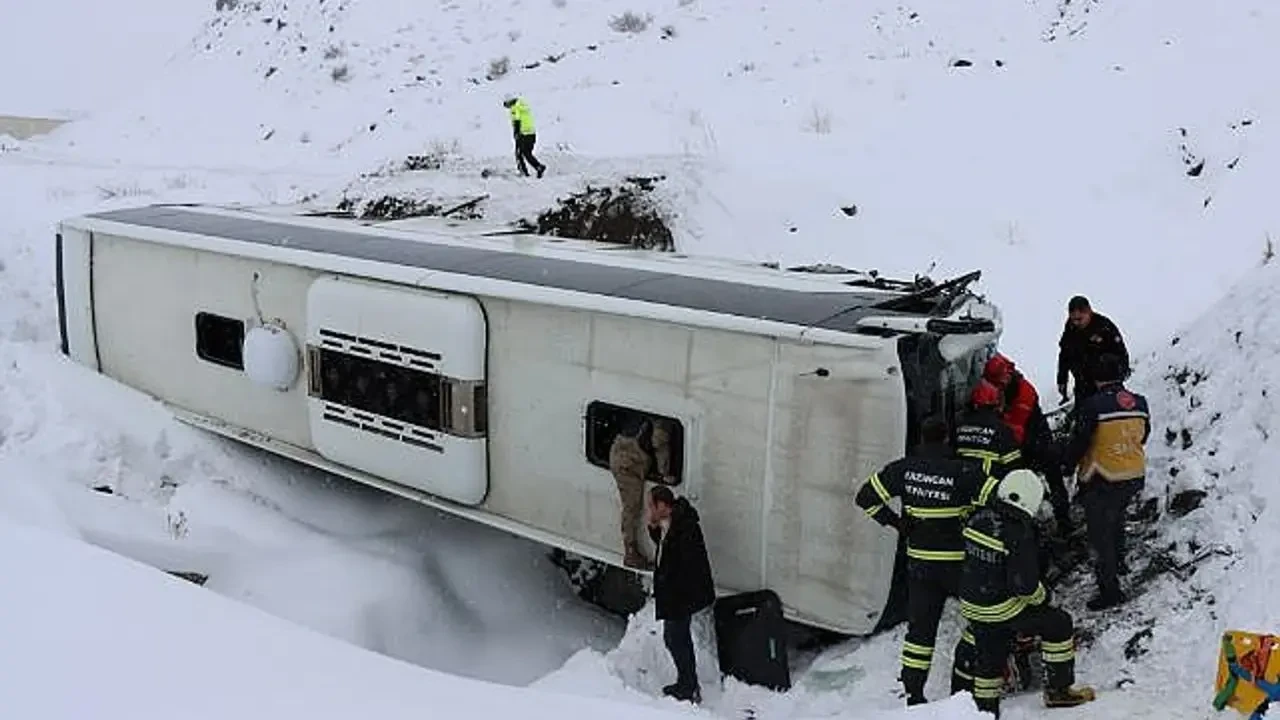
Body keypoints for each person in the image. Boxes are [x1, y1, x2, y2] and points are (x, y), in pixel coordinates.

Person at [854, 417, 1000, 706]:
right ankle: (967, 681)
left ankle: (914, 694)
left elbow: (865, 497)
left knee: (920, 633)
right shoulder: (963, 471)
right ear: (946, 439)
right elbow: (1000, 499)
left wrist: (897, 523)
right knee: (984, 619)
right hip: (959, 565)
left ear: (922, 438)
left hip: (920, 566)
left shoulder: (903, 469)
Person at [960, 469, 1097, 717]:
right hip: (1001, 609)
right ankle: (1059, 690)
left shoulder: (978, 518)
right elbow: (1024, 587)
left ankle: (984, 712)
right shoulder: (1018, 532)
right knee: (1058, 622)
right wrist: (1044, 597)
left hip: (973, 605)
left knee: (989, 660)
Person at [1060, 353, 1150, 611]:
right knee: (1117, 518)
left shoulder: (1093, 406)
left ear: (1096, 378)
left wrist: (1067, 464)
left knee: (1100, 537)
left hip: (1102, 476)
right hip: (1133, 475)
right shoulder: (1140, 403)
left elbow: (1080, 441)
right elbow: (1144, 436)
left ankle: (1110, 591)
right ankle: (1119, 562)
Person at [982, 353, 1072, 534]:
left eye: (1000, 381)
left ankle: (1063, 521)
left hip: (1036, 441)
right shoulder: (994, 381)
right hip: (1018, 440)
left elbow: (1015, 431)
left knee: (1052, 476)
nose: (999, 385)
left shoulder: (1025, 392)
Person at [647, 485, 715, 704]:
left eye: (651, 506)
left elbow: (683, 561)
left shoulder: (684, 527)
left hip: (682, 593)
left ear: (662, 505)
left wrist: (669, 585)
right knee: (676, 638)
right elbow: (664, 545)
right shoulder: (671, 523)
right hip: (677, 593)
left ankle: (688, 686)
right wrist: (653, 529)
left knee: (676, 638)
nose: (649, 511)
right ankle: (687, 682)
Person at [608, 417, 673, 569]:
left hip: (623, 448)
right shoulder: (661, 421)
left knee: (632, 506)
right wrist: (665, 472)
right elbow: (659, 442)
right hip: (629, 460)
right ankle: (630, 552)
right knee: (632, 506)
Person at [1056, 296, 1129, 408]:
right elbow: (1064, 355)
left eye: (1079, 319)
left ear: (1089, 312)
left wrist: (1119, 375)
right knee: (1084, 414)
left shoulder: (1104, 326)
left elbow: (1121, 353)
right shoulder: (1070, 329)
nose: (1076, 323)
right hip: (1082, 384)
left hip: (1106, 383)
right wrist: (1062, 380)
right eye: (1073, 319)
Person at [954, 380, 1023, 478]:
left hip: (961, 481)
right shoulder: (1001, 430)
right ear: (996, 404)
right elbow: (1013, 465)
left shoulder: (960, 426)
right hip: (987, 483)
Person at [502, 96, 546, 178]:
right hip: (531, 133)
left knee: (519, 154)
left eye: (506, 104)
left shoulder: (514, 108)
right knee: (527, 153)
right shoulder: (523, 105)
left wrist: (516, 133)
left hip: (523, 134)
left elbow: (517, 121)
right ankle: (539, 167)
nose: (506, 106)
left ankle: (523, 172)